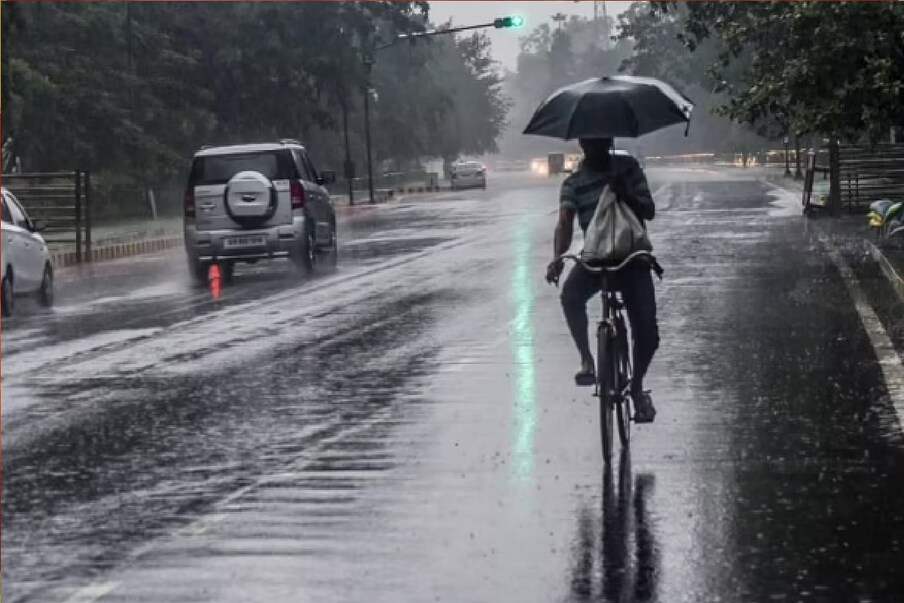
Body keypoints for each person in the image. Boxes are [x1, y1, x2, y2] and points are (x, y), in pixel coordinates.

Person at [544, 138, 659, 423]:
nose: (595, 146)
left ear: (608, 141)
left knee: (647, 333)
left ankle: (636, 387)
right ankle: (587, 359)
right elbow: (565, 223)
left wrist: (626, 192)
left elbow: (649, 210)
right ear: (582, 144)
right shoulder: (573, 184)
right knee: (570, 296)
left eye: (600, 140)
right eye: (590, 141)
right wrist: (557, 258)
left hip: (632, 259)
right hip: (595, 260)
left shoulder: (629, 168)